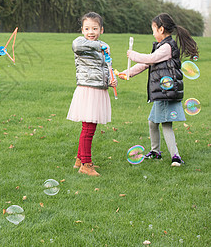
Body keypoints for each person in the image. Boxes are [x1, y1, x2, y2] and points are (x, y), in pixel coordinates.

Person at [117, 13, 198, 167]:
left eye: (153, 29)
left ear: (161, 29)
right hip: (162, 92)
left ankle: (176, 157)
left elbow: (150, 59)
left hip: (167, 93)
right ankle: (155, 152)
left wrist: (134, 55)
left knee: (166, 124)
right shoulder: (161, 46)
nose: (152, 33)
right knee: (153, 122)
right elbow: (147, 63)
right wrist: (128, 72)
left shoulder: (167, 47)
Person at [67, 12, 117, 176]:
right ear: (82, 30)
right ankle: (86, 165)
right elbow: (77, 46)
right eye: (87, 28)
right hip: (88, 90)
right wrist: (100, 46)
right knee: (88, 129)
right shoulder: (81, 44)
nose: (91, 32)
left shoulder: (104, 47)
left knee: (89, 128)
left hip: (99, 90)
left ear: (101, 30)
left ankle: (80, 159)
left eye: (95, 28)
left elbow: (107, 66)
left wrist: (112, 79)